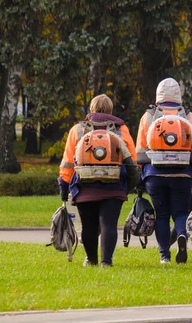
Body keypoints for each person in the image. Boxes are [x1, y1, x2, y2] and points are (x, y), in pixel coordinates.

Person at [58, 94, 139, 268]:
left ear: (91, 110)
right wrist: (127, 187)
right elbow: (132, 160)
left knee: (88, 226)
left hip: (84, 187)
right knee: (108, 224)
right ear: (110, 110)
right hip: (114, 186)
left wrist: (64, 186)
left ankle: (91, 259)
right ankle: (106, 261)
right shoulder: (121, 130)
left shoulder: (78, 130)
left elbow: (68, 163)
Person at [136, 78, 192, 264]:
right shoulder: (189, 117)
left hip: (154, 175)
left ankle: (164, 256)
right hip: (182, 174)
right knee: (181, 213)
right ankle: (181, 235)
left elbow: (140, 152)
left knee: (162, 215)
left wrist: (140, 179)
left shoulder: (148, 117)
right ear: (179, 96)